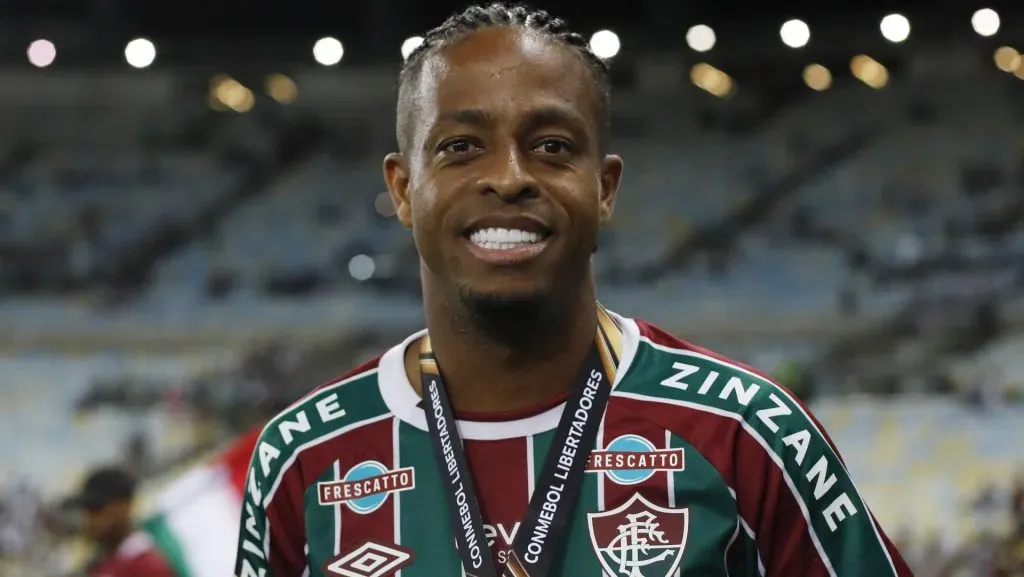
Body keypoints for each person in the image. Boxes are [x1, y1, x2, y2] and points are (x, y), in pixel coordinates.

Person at [234, 3, 914, 576]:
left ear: (606, 187)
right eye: (461, 146)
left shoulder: (746, 431)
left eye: (553, 145)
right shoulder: (303, 457)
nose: (510, 177)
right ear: (404, 188)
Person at [67, 466, 175, 577]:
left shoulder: (146, 565)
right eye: (85, 511)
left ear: (124, 506)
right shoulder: (108, 562)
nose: (88, 519)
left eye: (96, 509)